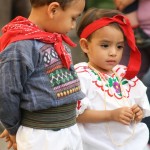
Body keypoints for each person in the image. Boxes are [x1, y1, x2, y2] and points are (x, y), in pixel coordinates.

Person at [0, 0, 85, 150]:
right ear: (53, 10)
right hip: (42, 137)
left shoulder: (56, 41)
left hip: (69, 130)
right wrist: (13, 128)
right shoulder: (21, 47)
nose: (73, 25)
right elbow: (7, 93)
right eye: (73, 18)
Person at [74, 8, 150, 150]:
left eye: (120, 46)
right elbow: (75, 114)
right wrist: (111, 115)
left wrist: (137, 112)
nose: (113, 53)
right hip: (96, 145)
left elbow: (139, 107)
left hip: (131, 144)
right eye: (105, 45)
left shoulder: (125, 75)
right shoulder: (82, 75)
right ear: (85, 45)